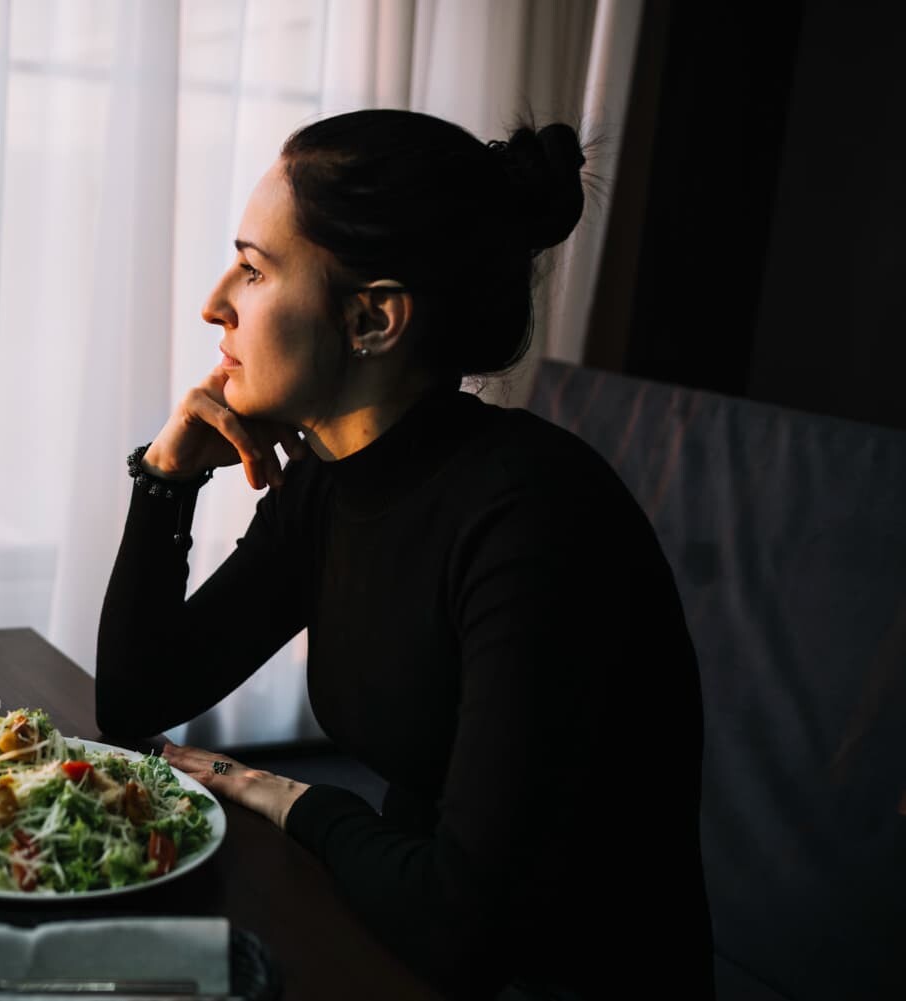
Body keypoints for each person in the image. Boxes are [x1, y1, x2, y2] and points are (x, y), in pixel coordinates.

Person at [95, 110, 714, 1001]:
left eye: (256, 268)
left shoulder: (534, 520)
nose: (215, 300)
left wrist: (291, 798)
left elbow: (464, 923)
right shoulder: (331, 480)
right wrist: (165, 476)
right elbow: (137, 696)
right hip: (406, 944)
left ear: (373, 319)